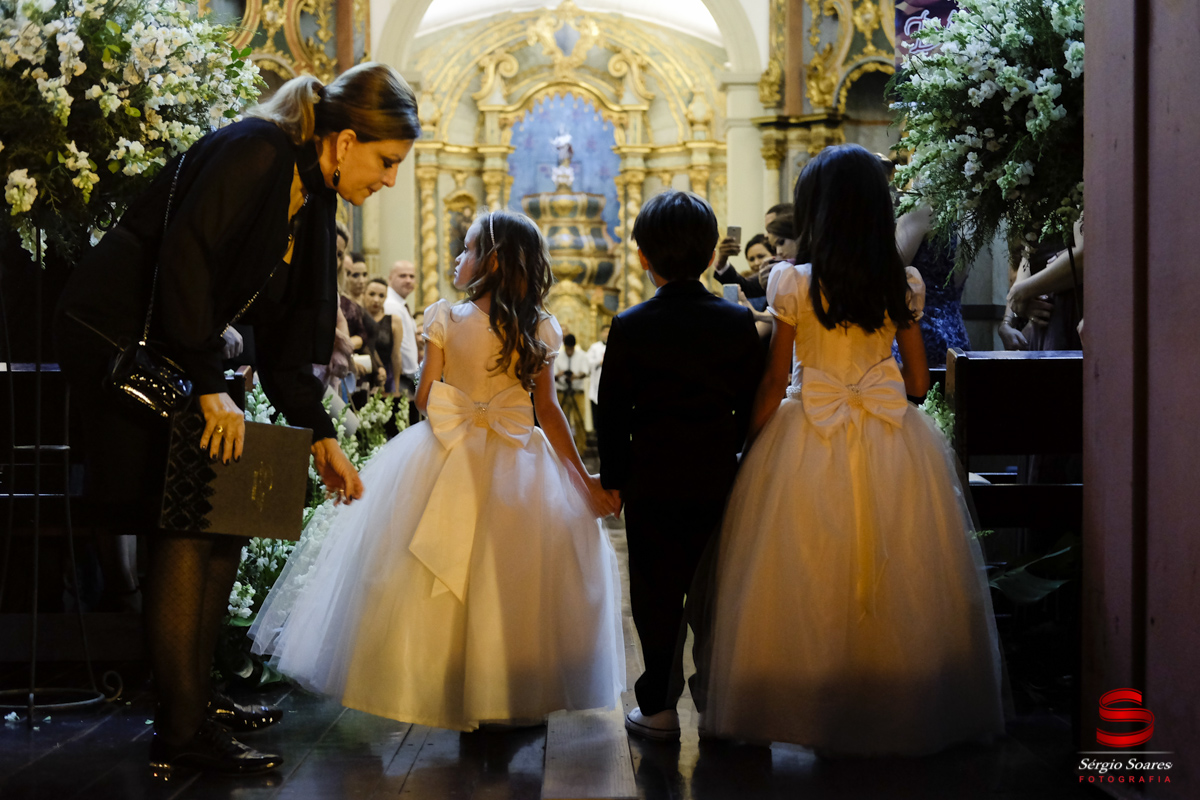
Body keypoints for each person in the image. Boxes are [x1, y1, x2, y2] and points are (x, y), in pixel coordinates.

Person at [53, 62, 419, 775]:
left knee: (222, 510)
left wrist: (318, 434)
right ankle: (181, 733)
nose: (389, 180)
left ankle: (195, 699)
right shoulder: (258, 149)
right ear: (343, 142)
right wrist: (207, 381)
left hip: (175, 349)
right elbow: (184, 257)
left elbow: (288, 344)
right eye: (386, 161)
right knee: (189, 519)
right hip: (116, 339)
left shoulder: (316, 201)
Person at [249, 210, 625, 732]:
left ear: (491, 261)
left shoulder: (445, 317)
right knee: (514, 575)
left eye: (467, 247)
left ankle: (448, 682)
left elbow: (426, 397)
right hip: (521, 461)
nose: (457, 257)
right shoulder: (539, 326)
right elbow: (550, 410)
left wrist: (462, 412)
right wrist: (583, 481)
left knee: (437, 574)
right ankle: (513, 688)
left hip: (449, 454)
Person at [699, 144, 1003, 755]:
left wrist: (750, 442)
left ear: (816, 214)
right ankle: (897, 695)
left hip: (808, 431)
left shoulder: (792, 283)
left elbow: (774, 376)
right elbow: (918, 385)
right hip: (893, 437)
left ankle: (806, 698)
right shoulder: (902, 283)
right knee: (902, 570)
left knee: (807, 565)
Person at [597, 190, 763, 742]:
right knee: (720, 593)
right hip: (719, 472)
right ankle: (722, 704)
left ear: (642, 256)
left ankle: (659, 707)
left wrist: (614, 478)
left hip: (652, 478)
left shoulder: (630, 324)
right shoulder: (736, 323)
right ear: (713, 252)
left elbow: (613, 413)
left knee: (656, 593)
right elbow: (751, 401)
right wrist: (736, 454)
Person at [894, 202, 970, 367]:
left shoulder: (921, 209)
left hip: (917, 339)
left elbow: (888, 276)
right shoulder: (966, 212)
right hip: (956, 338)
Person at [363, 277, 404, 392]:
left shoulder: (394, 321)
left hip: (386, 377)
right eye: (372, 294)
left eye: (381, 296)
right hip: (363, 373)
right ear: (364, 294)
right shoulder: (359, 318)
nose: (376, 300)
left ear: (386, 297)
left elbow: (396, 356)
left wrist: (396, 387)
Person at [713, 233, 775, 302]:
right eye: (751, 259)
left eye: (761, 256)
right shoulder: (750, 282)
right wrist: (722, 261)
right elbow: (744, 286)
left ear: (774, 255)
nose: (756, 263)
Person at [555, 333, 589, 450]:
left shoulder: (582, 355)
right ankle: (561, 447)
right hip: (561, 391)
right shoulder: (558, 355)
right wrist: (559, 374)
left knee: (579, 420)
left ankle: (581, 447)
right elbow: (553, 375)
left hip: (577, 391)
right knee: (561, 421)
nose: (569, 351)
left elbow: (585, 372)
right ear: (565, 346)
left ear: (574, 346)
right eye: (568, 348)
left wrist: (576, 376)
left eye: (571, 348)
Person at [585, 324, 609, 440]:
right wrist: (599, 362)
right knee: (596, 409)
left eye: (609, 332)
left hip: (610, 384)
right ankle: (597, 431)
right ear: (601, 333)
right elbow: (588, 362)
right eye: (605, 332)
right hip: (597, 383)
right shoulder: (595, 347)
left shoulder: (616, 345)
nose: (607, 334)